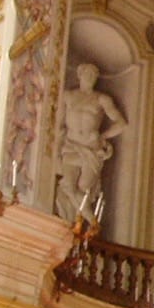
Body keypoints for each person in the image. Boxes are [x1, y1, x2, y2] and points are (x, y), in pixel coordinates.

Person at [57, 63, 127, 223]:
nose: (90, 77)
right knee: (68, 186)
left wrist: (103, 136)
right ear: (79, 75)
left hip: (92, 148)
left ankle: (79, 226)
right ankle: (88, 221)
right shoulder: (68, 96)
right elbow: (59, 125)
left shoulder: (102, 99)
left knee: (84, 189)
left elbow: (121, 124)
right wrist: (56, 149)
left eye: (93, 75)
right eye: (87, 74)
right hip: (71, 146)